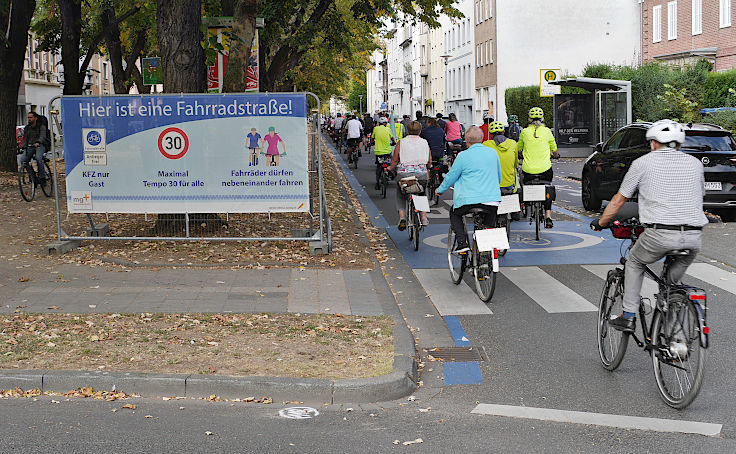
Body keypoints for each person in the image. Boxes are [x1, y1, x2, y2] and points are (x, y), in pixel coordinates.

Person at [591, 119, 708, 332]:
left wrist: (601, 222)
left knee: (634, 262)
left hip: (659, 234)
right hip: (693, 236)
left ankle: (628, 316)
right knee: (671, 287)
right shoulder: (695, 163)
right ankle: (675, 339)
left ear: (653, 143)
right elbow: (698, 196)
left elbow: (619, 200)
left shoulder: (643, 163)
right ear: (679, 144)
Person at [436, 126, 502, 253]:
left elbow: (451, 176)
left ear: (466, 140)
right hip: (491, 200)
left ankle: (462, 243)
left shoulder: (462, 156)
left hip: (467, 201)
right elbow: (498, 176)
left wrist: (440, 190)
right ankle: (488, 256)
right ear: (482, 139)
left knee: (454, 214)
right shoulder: (493, 153)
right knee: (489, 223)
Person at [517, 107, 559, 228]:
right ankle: (548, 216)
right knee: (547, 188)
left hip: (528, 170)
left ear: (529, 119)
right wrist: (556, 156)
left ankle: (526, 205)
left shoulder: (524, 132)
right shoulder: (547, 132)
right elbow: (554, 150)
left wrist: (522, 155)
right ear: (542, 118)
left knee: (524, 182)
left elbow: (519, 149)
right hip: (545, 170)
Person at [388, 120, 431, 229]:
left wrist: (390, 168)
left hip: (404, 175)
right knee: (422, 191)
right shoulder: (424, 142)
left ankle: (402, 217)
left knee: (400, 193)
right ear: (420, 131)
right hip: (421, 174)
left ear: (407, 131)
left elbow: (395, 160)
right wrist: (428, 167)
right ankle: (424, 217)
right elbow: (429, 160)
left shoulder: (401, 142)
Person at [483, 121, 518, 194]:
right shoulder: (513, 143)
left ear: (490, 134)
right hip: (509, 184)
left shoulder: (486, 144)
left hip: (492, 184)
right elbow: (515, 164)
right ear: (504, 132)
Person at [22, 111, 49, 182]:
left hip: (40, 145)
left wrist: (38, 142)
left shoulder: (41, 126)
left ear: (35, 118)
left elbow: (43, 136)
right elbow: (25, 138)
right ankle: (32, 175)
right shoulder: (27, 128)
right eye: (28, 117)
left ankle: (42, 177)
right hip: (31, 146)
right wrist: (24, 146)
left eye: (31, 117)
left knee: (38, 158)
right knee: (23, 160)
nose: (29, 119)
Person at [372, 117, 393, 190]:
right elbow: (392, 138)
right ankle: (389, 172)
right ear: (386, 123)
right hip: (387, 151)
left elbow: (372, 138)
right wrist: (393, 143)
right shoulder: (388, 129)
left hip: (378, 152)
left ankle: (377, 183)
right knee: (388, 163)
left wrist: (371, 142)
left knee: (379, 166)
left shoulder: (375, 129)